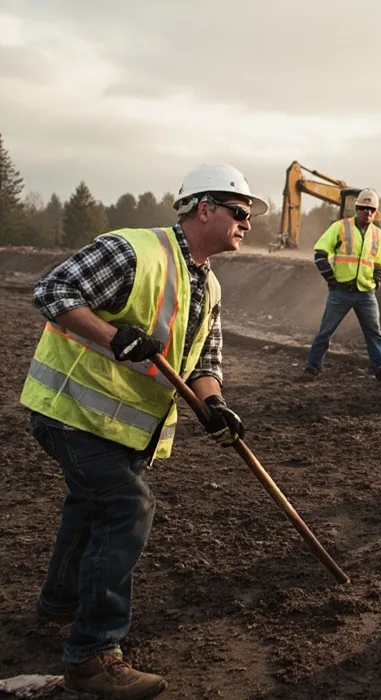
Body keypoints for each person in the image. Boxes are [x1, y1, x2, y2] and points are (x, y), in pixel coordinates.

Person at [21, 163, 265, 698]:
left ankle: (60, 602)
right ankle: (92, 656)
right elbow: (52, 291)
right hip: (71, 411)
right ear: (205, 209)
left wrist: (216, 407)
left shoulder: (209, 283)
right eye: (241, 213)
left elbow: (204, 361)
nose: (248, 224)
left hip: (123, 425)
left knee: (92, 505)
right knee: (126, 507)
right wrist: (114, 336)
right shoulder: (134, 251)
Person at [303, 188, 381, 381]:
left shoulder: (377, 234)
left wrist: (378, 278)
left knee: (375, 333)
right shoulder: (340, 227)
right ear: (357, 208)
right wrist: (330, 278)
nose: (368, 213)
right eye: (364, 208)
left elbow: (380, 261)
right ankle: (312, 368)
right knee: (325, 332)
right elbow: (320, 252)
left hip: (366, 293)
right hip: (341, 292)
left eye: (372, 210)